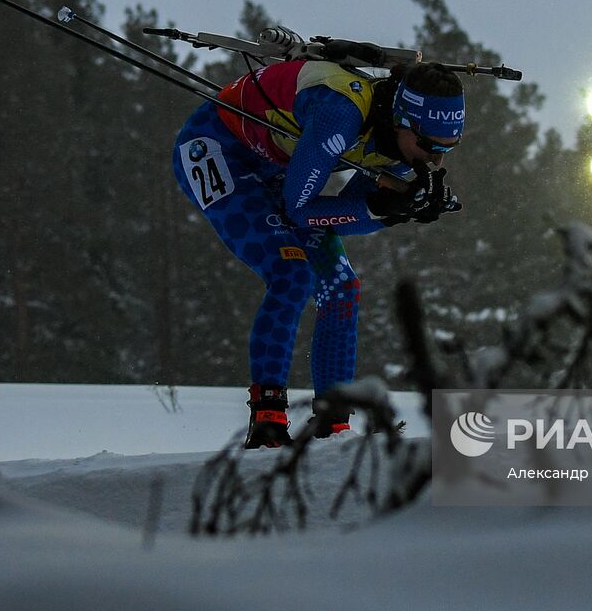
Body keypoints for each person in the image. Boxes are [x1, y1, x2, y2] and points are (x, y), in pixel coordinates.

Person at [172, 58, 465, 448]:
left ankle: (332, 421)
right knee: (291, 275)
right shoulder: (340, 114)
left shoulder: (402, 140)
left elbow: (339, 216)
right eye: (429, 146)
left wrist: (396, 211)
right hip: (215, 148)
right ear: (401, 120)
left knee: (342, 288)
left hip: (276, 164)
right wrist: (381, 208)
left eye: (448, 148)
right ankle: (268, 418)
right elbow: (301, 210)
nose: (435, 160)